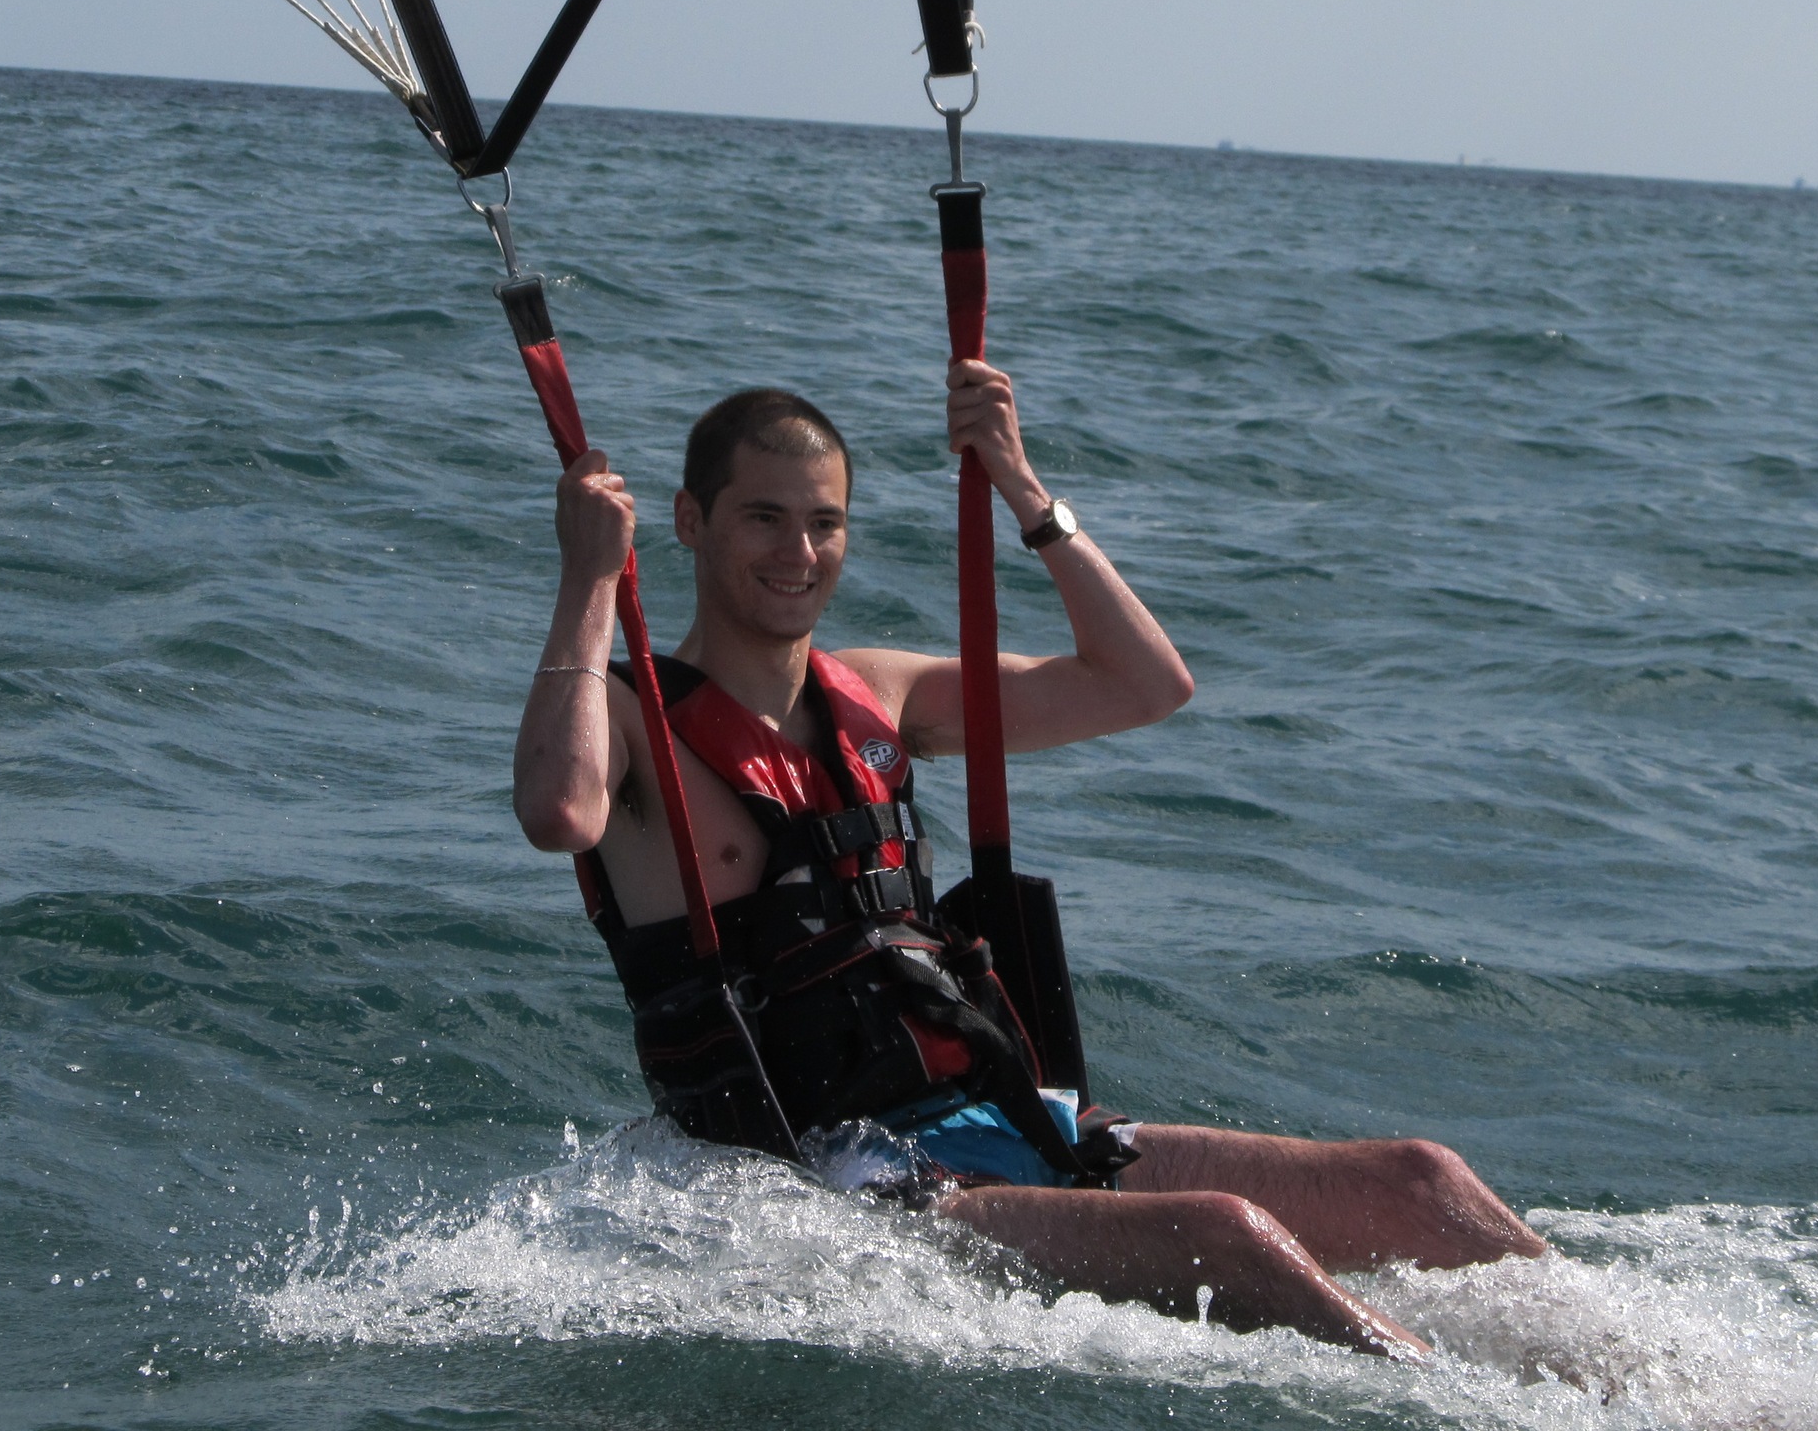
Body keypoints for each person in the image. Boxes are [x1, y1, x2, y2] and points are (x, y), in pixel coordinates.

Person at [512, 361, 1545, 1356]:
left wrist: (1018, 479)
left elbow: (1144, 685)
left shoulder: (879, 694)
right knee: (1230, 1237)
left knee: (1423, 1183)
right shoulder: (631, 719)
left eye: (825, 522)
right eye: (764, 518)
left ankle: (1631, 1379)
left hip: (989, 1119)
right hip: (836, 1176)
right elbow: (559, 811)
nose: (800, 551)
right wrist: (588, 574)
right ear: (691, 523)